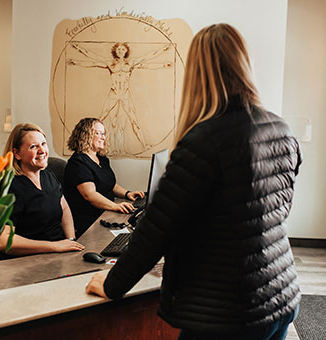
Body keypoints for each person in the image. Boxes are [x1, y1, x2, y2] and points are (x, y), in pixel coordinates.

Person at [86, 23, 302, 340]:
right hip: (280, 295)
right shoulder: (281, 129)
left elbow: (155, 232)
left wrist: (112, 284)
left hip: (227, 311)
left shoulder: (203, 140)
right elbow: (274, 211)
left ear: (197, 73)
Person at [68, 42, 172, 155]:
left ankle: (144, 143)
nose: (120, 51)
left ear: (126, 51)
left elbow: (146, 60)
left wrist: (163, 60)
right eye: (118, 49)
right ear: (115, 51)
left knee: (134, 120)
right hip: (114, 92)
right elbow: (93, 60)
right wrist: (78, 53)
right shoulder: (110, 63)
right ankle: (86, 143)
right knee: (100, 119)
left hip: (125, 94)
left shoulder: (130, 63)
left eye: (123, 49)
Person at [0, 123, 85, 256]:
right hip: (31, 260)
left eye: (43, 144)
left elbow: (64, 207)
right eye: (34, 146)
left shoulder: (47, 175)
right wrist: (54, 246)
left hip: (59, 252)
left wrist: (71, 240)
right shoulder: (11, 187)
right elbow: (3, 241)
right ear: (17, 153)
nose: (42, 151)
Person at [64, 118, 145, 238]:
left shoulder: (101, 159)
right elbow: (89, 195)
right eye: (98, 133)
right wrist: (115, 206)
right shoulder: (78, 163)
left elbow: (110, 184)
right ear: (85, 135)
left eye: (103, 134)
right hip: (89, 220)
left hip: (105, 212)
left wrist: (127, 193)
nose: (103, 137)